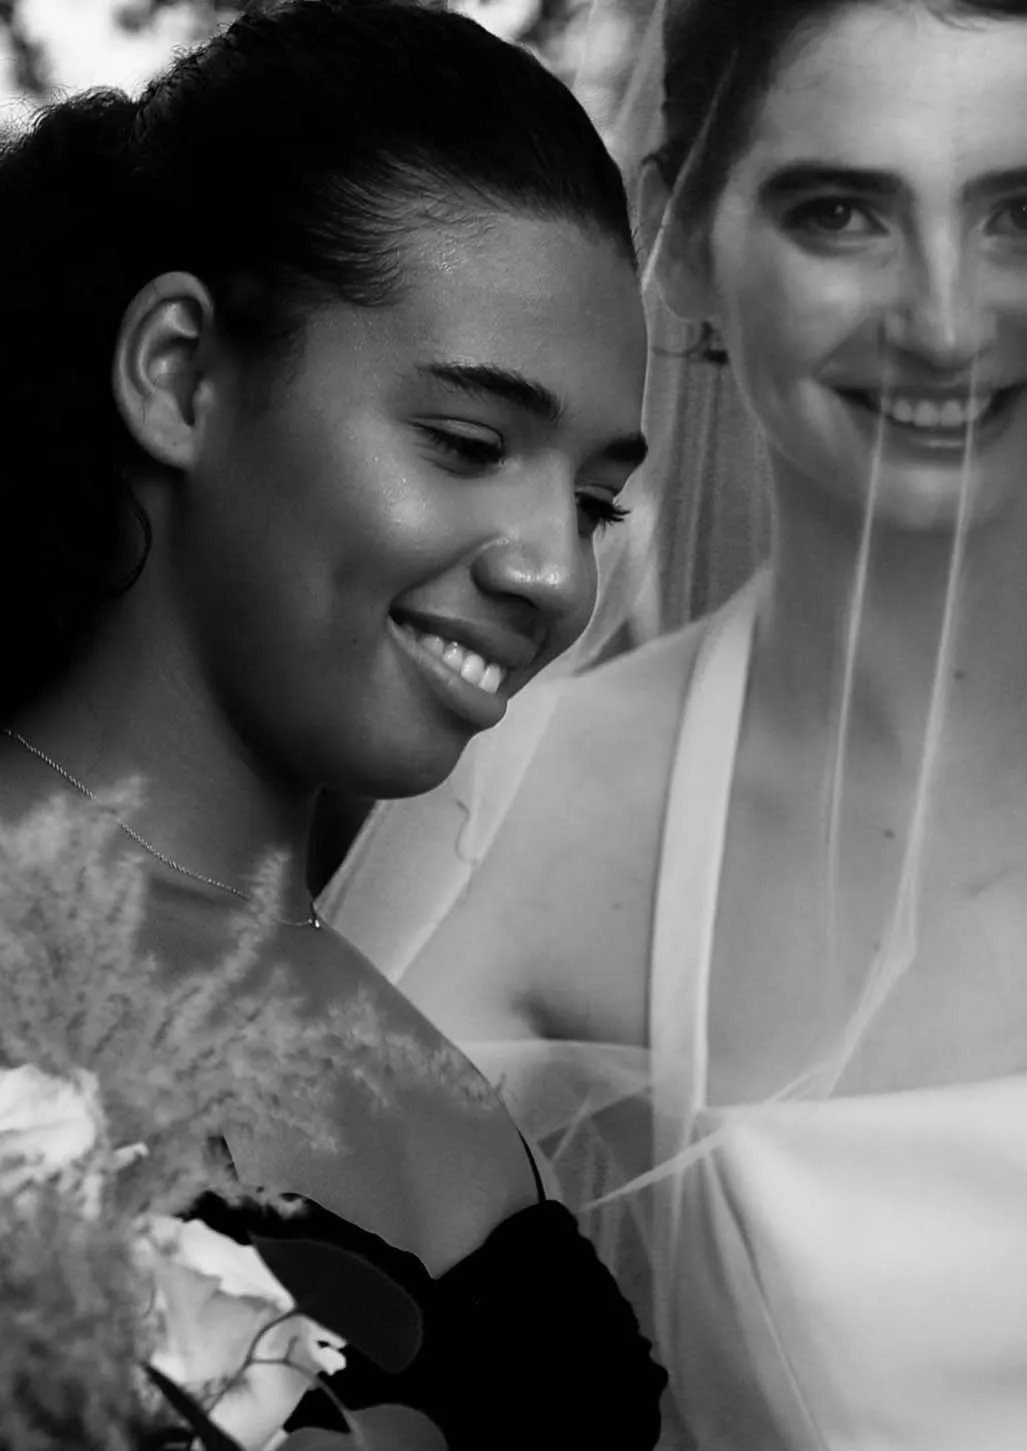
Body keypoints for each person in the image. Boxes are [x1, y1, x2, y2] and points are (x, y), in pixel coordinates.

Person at [321, 0, 1027, 1446]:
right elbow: (228, 1306)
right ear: (683, 239)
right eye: (842, 212)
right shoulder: (532, 813)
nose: (943, 321)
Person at [0, 1, 667, 1445]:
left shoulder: (439, 1073)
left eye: (594, 501)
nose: (557, 573)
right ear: (181, 373)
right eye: (468, 445)